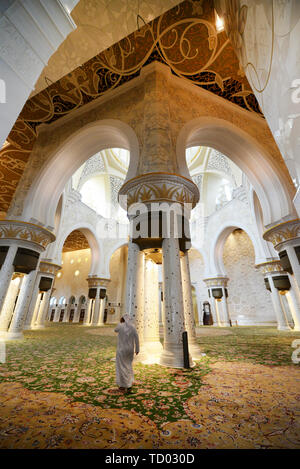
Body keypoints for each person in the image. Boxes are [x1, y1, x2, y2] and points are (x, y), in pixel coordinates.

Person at [114, 313, 139, 393]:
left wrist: (120, 323)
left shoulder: (120, 326)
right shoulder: (133, 327)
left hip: (121, 350)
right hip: (130, 350)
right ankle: (129, 382)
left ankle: (124, 385)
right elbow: (136, 338)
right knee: (128, 366)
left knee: (121, 367)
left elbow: (115, 330)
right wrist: (137, 349)